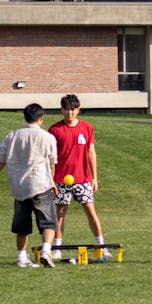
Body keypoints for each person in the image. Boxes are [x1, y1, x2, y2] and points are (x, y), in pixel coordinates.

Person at [0, 103, 59, 269]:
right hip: (40, 184)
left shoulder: (12, 136)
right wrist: (52, 182)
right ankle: (46, 251)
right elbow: (52, 163)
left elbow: (0, 160)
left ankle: (21, 257)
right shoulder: (47, 137)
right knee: (49, 223)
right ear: (41, 118)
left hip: (19, 187)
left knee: (22, 225)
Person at [48, 93, 106, 259]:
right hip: (60, 180)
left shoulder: (87, 128)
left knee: (91, 212)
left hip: (83, 179)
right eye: (66, 109)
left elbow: (91, 152)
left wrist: (94, 177)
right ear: (61, 110)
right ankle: (57, 248)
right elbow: (50, 157)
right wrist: (51, 180)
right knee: (60, 214)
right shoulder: (54, 130)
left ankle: (102, 246)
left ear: (78, 110)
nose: (70, 113)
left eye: (73, 109)